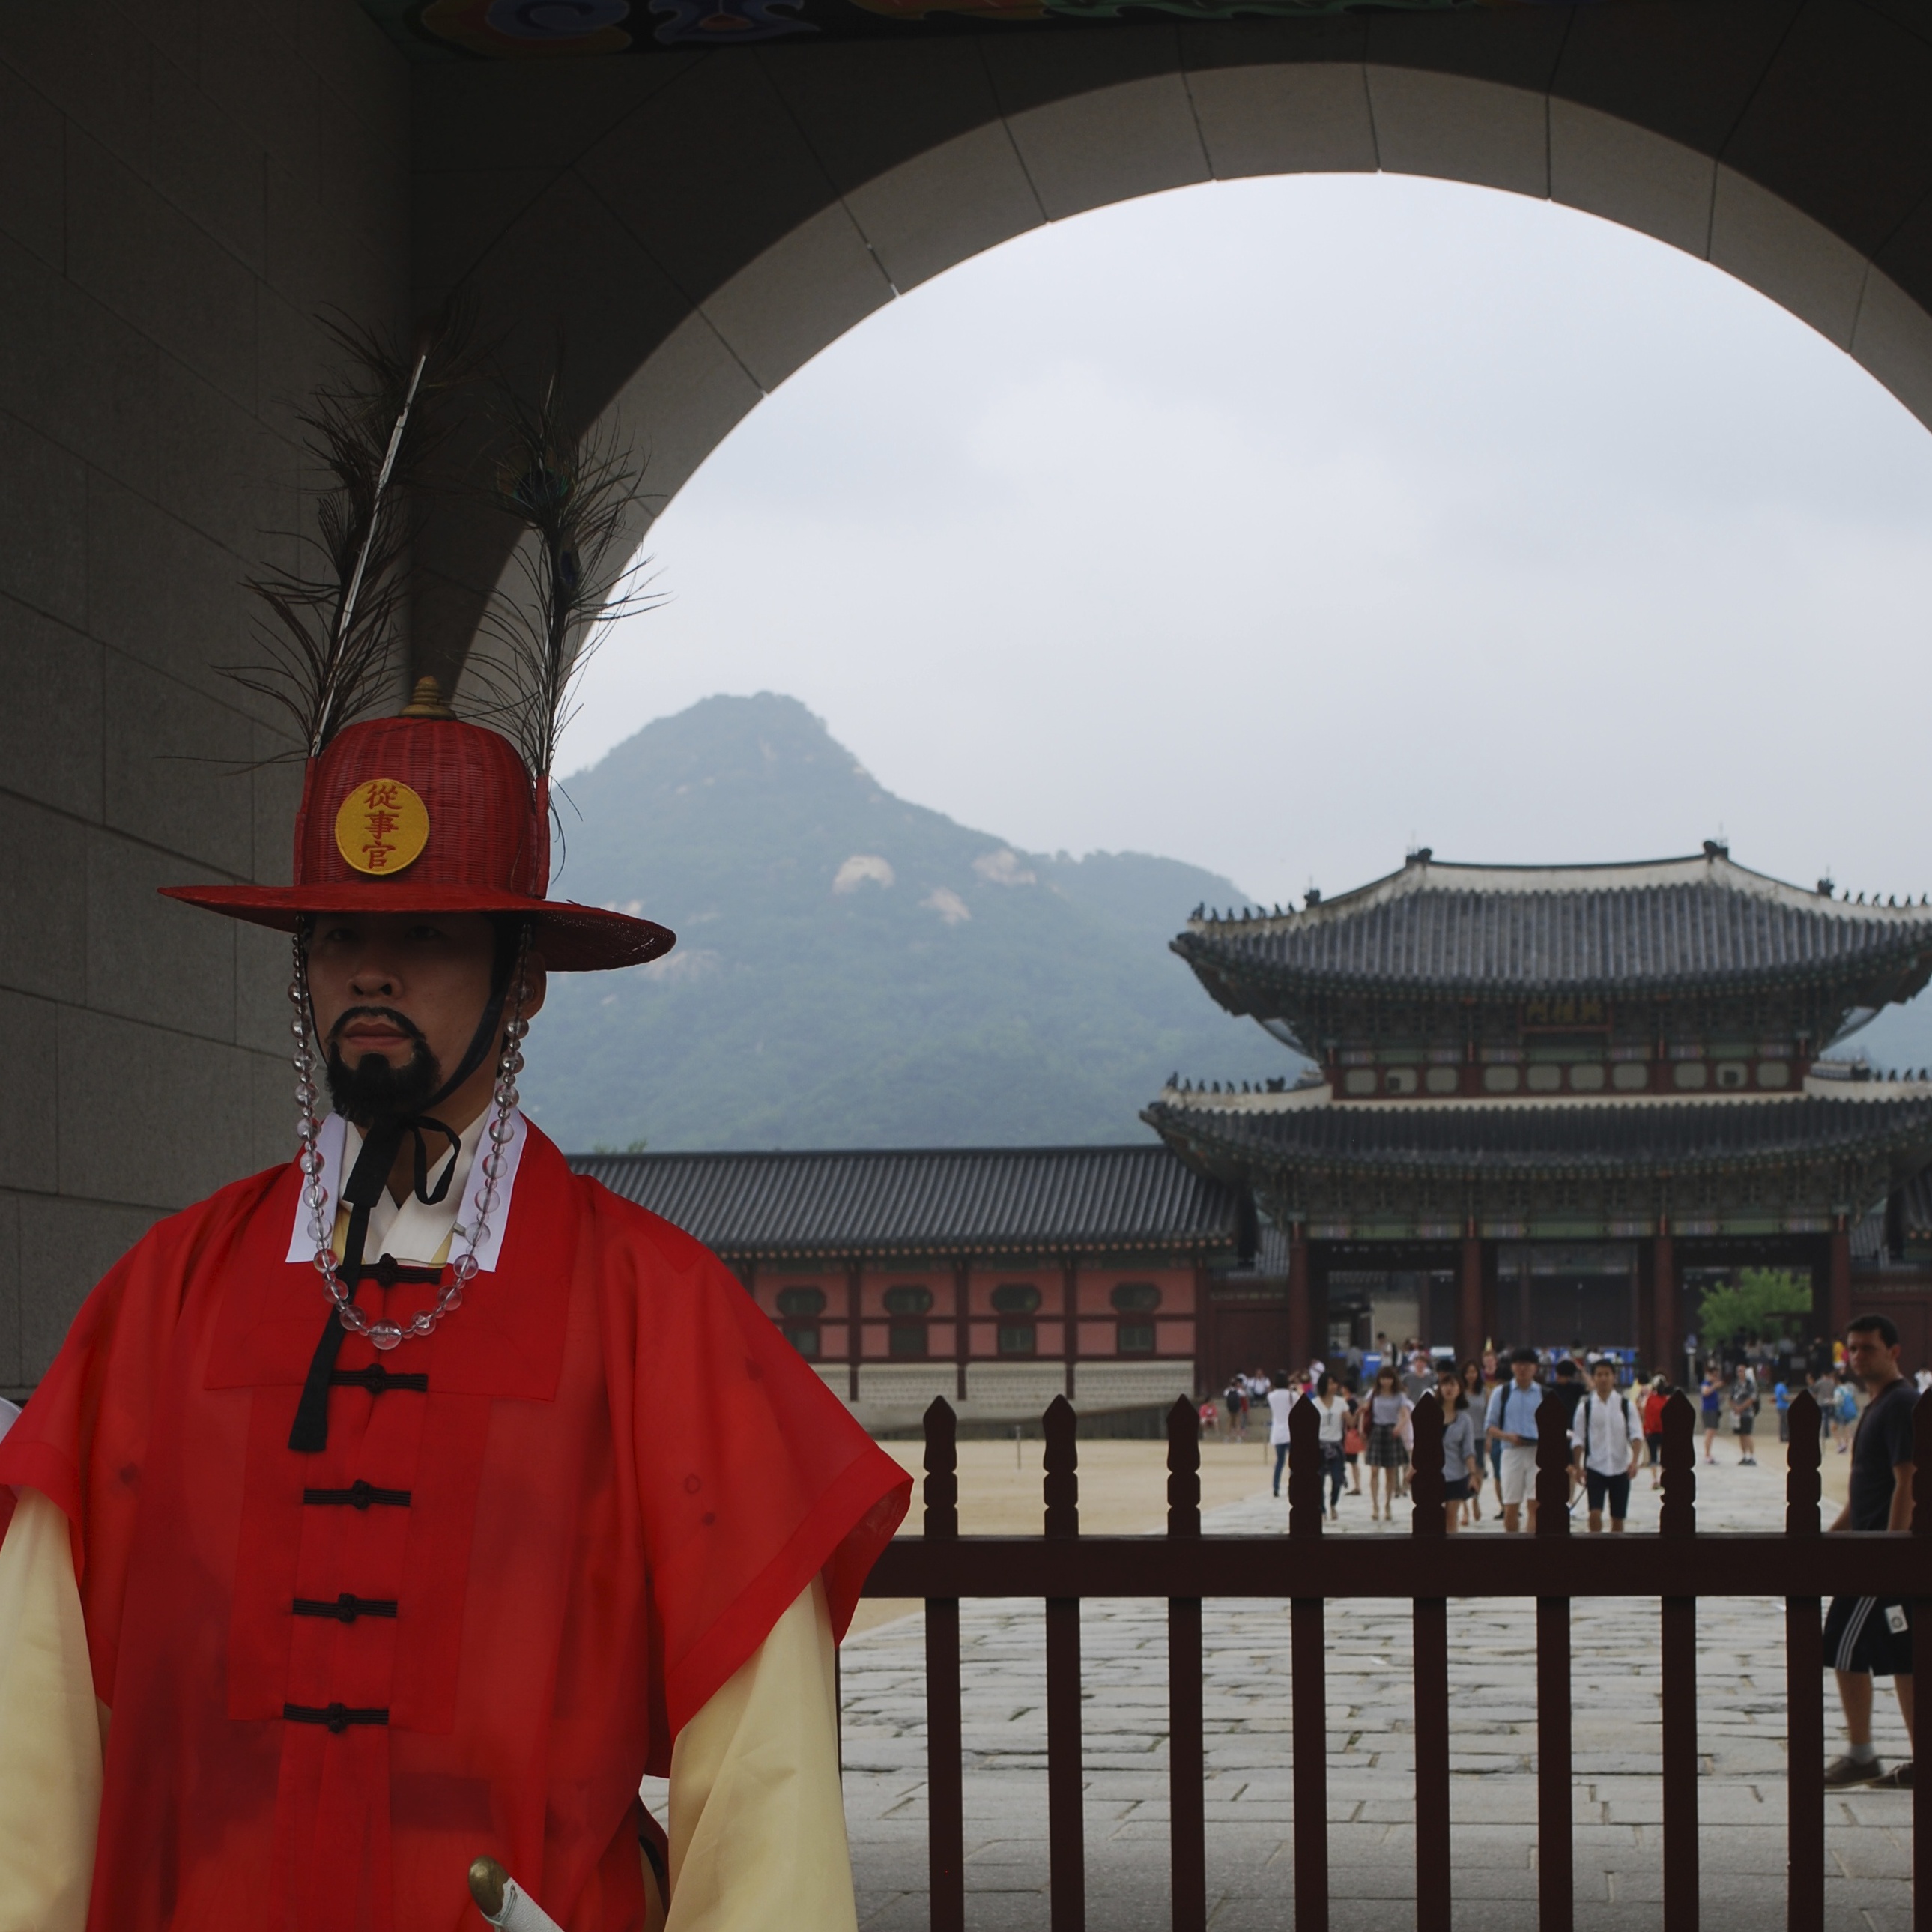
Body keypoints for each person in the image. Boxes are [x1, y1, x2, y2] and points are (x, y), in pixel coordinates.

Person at [0, 684, 914, 1931]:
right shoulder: (171, 1291)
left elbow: (764, 1789)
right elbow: (32, 1733)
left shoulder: (653, 1308)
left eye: (427, 932)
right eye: (333, 934)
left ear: (522, 979)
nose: (369, 967)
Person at [1823, 1313, 1921, 1790]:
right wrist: (1829, 1536)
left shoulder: (1902, 1404)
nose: (1859, 1357)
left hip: (1881, 1556)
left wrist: (1890, 1548)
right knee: (1906, 1657)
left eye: (1868, 1348)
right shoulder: (1876, 1406)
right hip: (1870, 1545)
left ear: (1894, 1352)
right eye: (1853, 1349)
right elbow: (1865, 1496)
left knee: (1842, 1640)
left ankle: (1861, 1752)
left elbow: (1908, 1481)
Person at [1570, 1358, 1644, 1533]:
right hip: (1595, 1466)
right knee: (1594, 1513)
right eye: (1599, 1375)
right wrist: (1578, 1466)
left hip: (1620, 1467)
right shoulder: (1585, 1408)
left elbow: (1636, 1435)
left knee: (1618, 1518)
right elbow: (1578, 1439)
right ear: (1593, 1378)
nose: (1603, 1379)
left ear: (1614, 1377)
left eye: (1607, 1374)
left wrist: (1634, 1461)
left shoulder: (1626, 1406)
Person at [1486, 1346, 1547, 1534]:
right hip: (1511, 1452)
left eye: (1528, 1365)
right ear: (1512, 1367)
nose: (1523, 1369)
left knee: (1535, 1506)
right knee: (1511, 1507)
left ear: (1535, 1368)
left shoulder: (1544, 1394)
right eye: (1519, 1364)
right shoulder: (1501, 1393)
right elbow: (1489, 1426)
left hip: (1537, 1453)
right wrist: (1508, 1436)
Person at [1363, 1364, 1413, 1522]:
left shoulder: (1399, 1396)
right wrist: (1362, 1430)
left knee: (1391, 1472)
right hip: (1377, 1431)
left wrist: (1399, 1427)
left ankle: (1388, 1504)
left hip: (1392, 1431)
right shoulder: (1373, 1394)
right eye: (1383, 1378)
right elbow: (1366, 1412)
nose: (1386, 1381)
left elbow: (1405, 1415)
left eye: (1389, 1378)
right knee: (1374, 1471)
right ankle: (1375, 1505)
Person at [1435, 1373, 1482, 1533]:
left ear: (1460, 1390)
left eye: (1453, 1385)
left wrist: (1473, 1474)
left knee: (1450, 1517)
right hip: (1433, 1473)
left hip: (1455, 1474)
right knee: (1432, 1517)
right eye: (1445, 1385)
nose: (1449, 1389)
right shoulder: (1431, 1415)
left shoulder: (1464, 1419)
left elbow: (1468, 1450)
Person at [1312, 1372, 1351, 1520]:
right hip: (1320, 1446)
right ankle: (1322, 1509)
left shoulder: (1341, 1402)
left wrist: (1360, 1414)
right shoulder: (1315, 1403)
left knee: (1337, 1479)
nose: (1334, 1386)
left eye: (1335, 1383)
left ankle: (1333, 1504)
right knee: (1319, 1480)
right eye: (1330, 1383)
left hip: (1336, 1446)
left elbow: (1351, 1422)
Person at [1459, 1360, 1489, 1521]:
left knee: (1478, 1470)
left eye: (1473, 1372)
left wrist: (1489, 1437)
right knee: (1463, 1471)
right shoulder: (1459, 1392)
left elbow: (1489, 1416)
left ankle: (1475, 1498)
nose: (1471, 1375)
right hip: (1462, 1436)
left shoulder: (1484, 1392)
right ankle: (1464, 1507)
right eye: (1467, 1372)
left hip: (1479, 1435)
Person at [1267, 1371, 1296, 1497]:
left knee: (1279, 1461)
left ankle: (1276, 1487)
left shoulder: (1271, 1396)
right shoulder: (1292, 1395)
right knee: (1293, 1462)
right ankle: (1291, 1486)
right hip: (1290, 1431)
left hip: (1277, 1432)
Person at [1641, 1375, 1670, 1489]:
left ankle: (1654, 1479)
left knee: (1653, 1456)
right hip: (1665, 1432)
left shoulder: (1649, 1399)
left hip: (1651, 1431)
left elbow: (1644, 1413)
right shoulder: (1667, 1400)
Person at [1731, 1360, 1760, 1466]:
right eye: (1738, 1371)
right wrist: (1735, 1407)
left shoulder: (1750, 1384)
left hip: (1747, 1413)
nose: (1740, 1373)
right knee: (1741, 1435)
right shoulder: (1735, 1385)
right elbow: (1732, 1398)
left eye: (1742, 1371)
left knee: (1747, 1434)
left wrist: (1741, 1407)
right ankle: (1744, 1455)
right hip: (1738, 1414)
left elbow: (1752, 1398)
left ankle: (1752, 1456)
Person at [1700, 1362, 1725, 1462]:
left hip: (1714, 1409)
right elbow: (1705, 1392)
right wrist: (1714, 1386)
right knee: (1709, 1431)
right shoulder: (1706, 1384)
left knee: (1712, 1431)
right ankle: (1707, 1453)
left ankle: (1709, 1452)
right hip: (1708, 1410)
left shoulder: (1712, 1386)